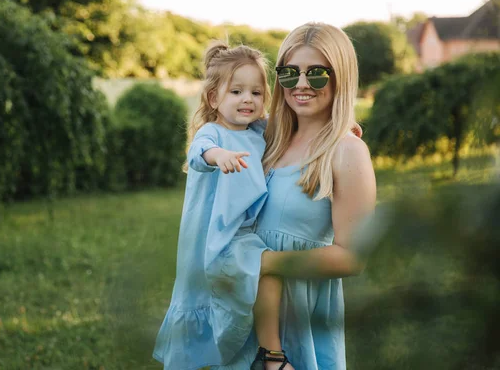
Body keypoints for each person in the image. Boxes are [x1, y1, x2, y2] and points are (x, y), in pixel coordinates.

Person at [209, 22, 377, 370]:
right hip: (247, 308)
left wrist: (264, 263)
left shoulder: (347, 151)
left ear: (340, 76)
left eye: (316, 74)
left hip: (301, 313)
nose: (301, 85)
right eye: (290, 73)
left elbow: (354, 257)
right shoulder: (265, 136)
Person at [153, 40, 292, 370]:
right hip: (211, 238)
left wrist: (342, 131)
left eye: (256, 93)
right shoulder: (212, 133)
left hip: (241, 233)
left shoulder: (259, 130)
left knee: (247, 293)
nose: (248, 99)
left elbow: (298, 128)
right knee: (212, 298)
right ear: (214, 98)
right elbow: (198, 153)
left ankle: (252, 353)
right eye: (237, 91)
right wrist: (220, 157)